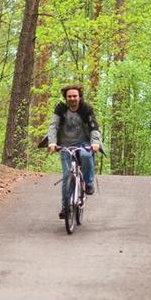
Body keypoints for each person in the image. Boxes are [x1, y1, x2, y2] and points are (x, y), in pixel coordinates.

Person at [46, 84, 102, 219]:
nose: (72, 98)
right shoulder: (61, 109)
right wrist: (52, 142)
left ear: (79, 96)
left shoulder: (86, 109)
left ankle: (88, 183)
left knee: (86, 155)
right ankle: (65, 207)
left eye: (75, 96)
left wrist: (95, 143)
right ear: (65, 98)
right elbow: (53, 126)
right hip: (65, 145)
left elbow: (94, 127)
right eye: (69, 96)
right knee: (67, 176)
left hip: (84, 143)